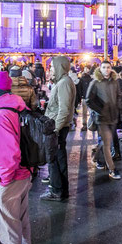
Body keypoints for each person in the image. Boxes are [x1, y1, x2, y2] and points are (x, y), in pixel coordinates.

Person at [0, 70, 32, 244]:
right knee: (21, 221)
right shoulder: (17, 105)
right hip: (24, 173)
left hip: (10, 178)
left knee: (9, 231)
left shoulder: (0, 115)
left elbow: (8, 154)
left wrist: (2, 181)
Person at [40, 56, 76, 202]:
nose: (51, 69)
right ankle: (61, 189)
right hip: (58, 125)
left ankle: (56, 190)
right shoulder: (62, 82)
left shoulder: (64, 83)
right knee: (58, 158)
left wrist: (55, 128)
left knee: (53, 158)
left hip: (57, 126)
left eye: (53, 67)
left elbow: (64, 109)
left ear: (60, 67)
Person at [85, 61, 122, 180]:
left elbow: (119, 96)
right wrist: (101, 110)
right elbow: (88, 100)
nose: (106, 69)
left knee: (105, 141)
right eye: (104, 67)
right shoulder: (95, 82)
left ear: (111, 69)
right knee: (107, 143)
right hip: (101, 118)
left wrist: (119, 108)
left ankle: (95, 156)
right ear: (100, 69)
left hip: (113, 117)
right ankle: (112, 169)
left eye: (108, 67)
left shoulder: (115, 82)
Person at [78, 65, 93, 131]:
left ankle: (84, 125)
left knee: (84, 112)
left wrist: (80, 97)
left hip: (84, 98)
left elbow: (79, 89)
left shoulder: (81, 79)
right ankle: (92, 123)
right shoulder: (92, 79)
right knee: (91, 112)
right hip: (91, 98)